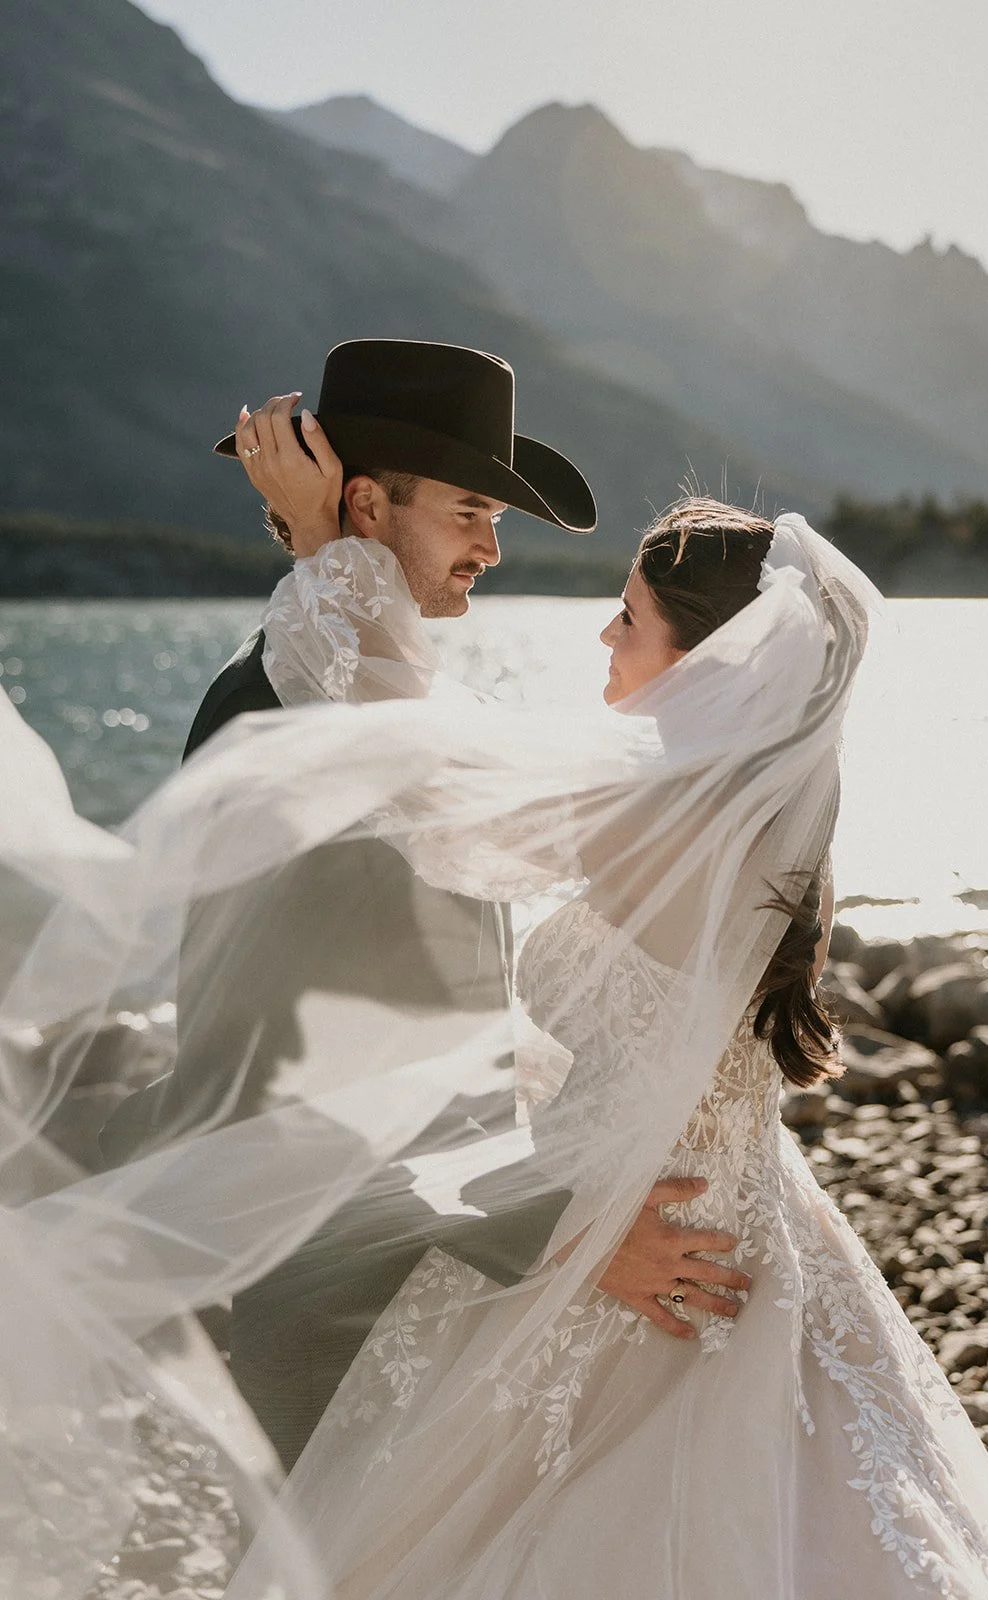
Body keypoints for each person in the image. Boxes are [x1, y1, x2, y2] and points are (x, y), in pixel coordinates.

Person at [207, 480, 988, 1598]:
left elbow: (413, 763)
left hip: (629, 1241)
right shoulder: (749, 806)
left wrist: (328, 558)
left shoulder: (655, 812)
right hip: (726, 1212)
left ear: (715, 664)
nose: (602, 636)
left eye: (628, 617)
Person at [98, 339, 751, 1474]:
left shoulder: (371, 687)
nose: (492, 548)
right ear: (366, 498)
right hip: (332, 1303)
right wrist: (564, 1233)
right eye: (466, 510)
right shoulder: (288, 715)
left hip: (422, 1272)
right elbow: (287, 1082)